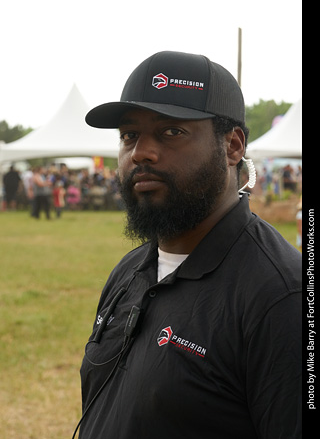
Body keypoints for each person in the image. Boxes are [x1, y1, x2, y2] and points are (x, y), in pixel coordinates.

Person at [74, 51, 302, 439]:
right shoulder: (130, 271)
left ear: (233, 147)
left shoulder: (283, 297)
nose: (140, 152)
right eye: (129, 135)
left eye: (171, 132)